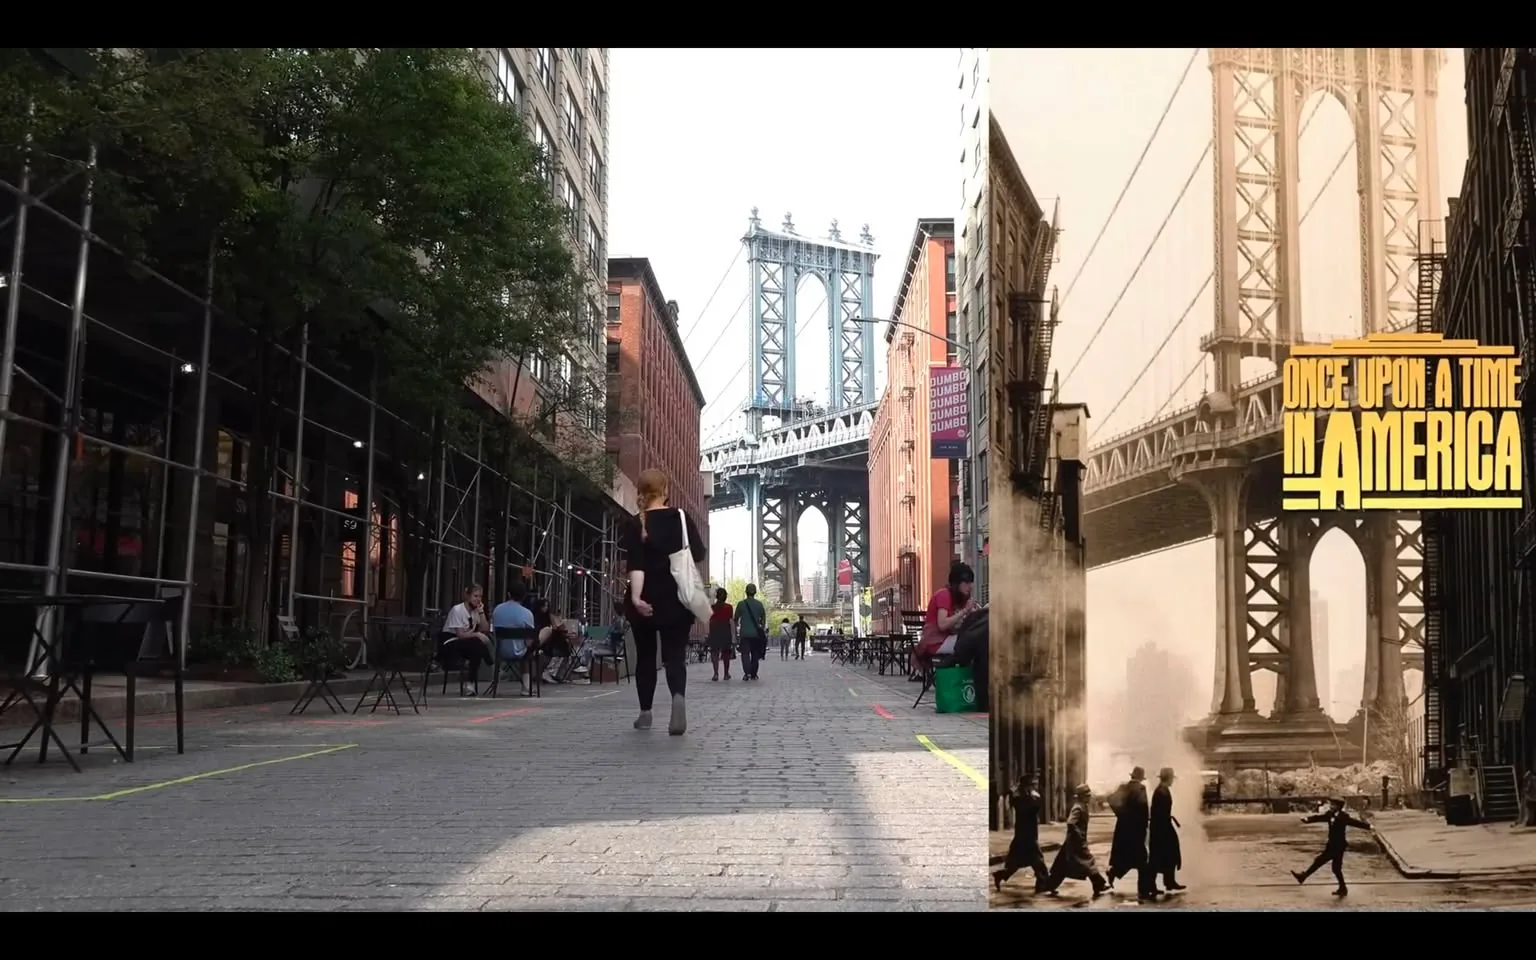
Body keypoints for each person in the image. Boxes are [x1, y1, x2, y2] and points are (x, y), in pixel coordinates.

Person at [621, 467, 707, 734]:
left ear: (640, 492)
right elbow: (700, 554)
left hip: (645, 599)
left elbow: (636, 566)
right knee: (674, 656)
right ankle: (677, 700)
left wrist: (636, 599)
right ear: (665, 490)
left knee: (646, 657)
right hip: (676, 600)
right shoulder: (680, 518)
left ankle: (645, 713)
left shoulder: (636, 522)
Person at [1290, 798, 1372, 896]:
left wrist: (1368, 826)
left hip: (1338, 846)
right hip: (1332, 844)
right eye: (1331, 804)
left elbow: (1354, 822)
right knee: (1336, 869)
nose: (1331, 806)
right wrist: (1308, 819)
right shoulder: (1330, 814)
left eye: (1333, 805)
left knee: (1319, 861)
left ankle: (1303, 876)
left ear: (1338, 807)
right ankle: (1343, 888)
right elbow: (1319, 817)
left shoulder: (1343, 816)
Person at [911, 561, 975, 680]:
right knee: (974, 643)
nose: (970, 586)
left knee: (976, 641)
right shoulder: (944, 595)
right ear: (957, 583)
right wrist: (965, 611)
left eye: (971, 582)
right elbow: (942, 624)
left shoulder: (958, 599)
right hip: (936, 642)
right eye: (966, 582)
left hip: (946, 640)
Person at [1042, 784, 1108, 897]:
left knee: (1062, 865)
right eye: (1086, 796)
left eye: (1088, 795)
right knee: (1088, 861)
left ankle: (1049, 885)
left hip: (1074, 841)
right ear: (1081, 796)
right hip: (1076, 842)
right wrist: (1079, 835)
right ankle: (1099, 884)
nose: (1088, 797)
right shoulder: (1078, 807)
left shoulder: (1083, 805)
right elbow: (1071, 822)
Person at [993, 772, 1050, 893]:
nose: (1034, 787)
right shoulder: (1019, 797)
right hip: (1024, 835)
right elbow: (1028, 808)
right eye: (1031, 785)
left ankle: (1000, 875)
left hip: (1028, 834)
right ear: (1025, 785)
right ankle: (1044, 884)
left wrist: (1033, 796)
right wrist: (1030, 796)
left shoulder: (1028, 795)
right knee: (1038, 862)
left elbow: (1037, 805)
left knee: (1016, 864)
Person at [1107, 765, 1158, 901]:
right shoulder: (1141, 789)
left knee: (1129, 857)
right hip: (1136, 829)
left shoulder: (1123, 787)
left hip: (1124, 828)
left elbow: (1110, 799)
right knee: (1141, 859)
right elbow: (1144, 810)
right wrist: (1146, 825)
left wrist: (1121, 814)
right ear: (1141, 778)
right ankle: (1144, 890)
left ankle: (1113, 872)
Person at [441, 584, 494, 696]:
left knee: (476, 646)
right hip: (450, 642)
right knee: (477, 643)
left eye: (480, 596)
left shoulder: (476, 611)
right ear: (468, 596)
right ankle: (490, 663)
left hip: (467, 644)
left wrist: (481, 612)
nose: (478, 599)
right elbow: (460, 634)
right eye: (475, 596)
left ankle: (471, 684)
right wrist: (478, 635)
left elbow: (486, 629)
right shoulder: (458, 610)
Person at [1149, 766, 1185, 893]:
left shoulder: (1161, 790)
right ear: (1169, 778)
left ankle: (1168, 881)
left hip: (1160, 826)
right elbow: (1161, 813)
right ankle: (1161, 883)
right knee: (1162, 856)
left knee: (1163, 856)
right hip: (1162, 827)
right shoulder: (1162, 792)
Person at [734, 583, 768, 681]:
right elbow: (763, 619)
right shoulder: (759, 604)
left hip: (744, 633)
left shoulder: (741, 604)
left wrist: (737, 629)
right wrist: (761, 625)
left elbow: (735, 619)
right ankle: (754, 674)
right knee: (755, 654)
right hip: (756, 634)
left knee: (745, 654)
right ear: (755, 592)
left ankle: (747, 673)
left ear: (746, 591)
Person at [708, 587, 735, 681]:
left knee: (714, 652)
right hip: (725, 631)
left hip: (715, 631)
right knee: (726, 653)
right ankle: (726, 674)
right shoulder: (729, 607)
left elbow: (710, 620)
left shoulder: (712, 607)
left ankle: (715, 674)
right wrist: (733, 636)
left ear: (716, 596)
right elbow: (731, 621)